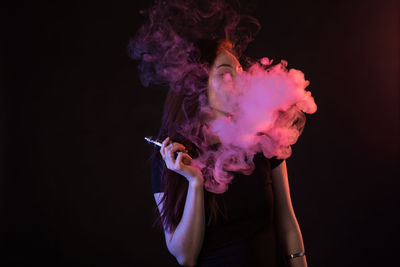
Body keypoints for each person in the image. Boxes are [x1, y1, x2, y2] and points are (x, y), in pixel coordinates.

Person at [148, 39, 308, 267]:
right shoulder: (170, 158)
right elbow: (185, 256)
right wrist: (195, 182)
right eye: (226, 73)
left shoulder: (264, 140)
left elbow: (287, 220)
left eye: (240, 72)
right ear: (198, 84)